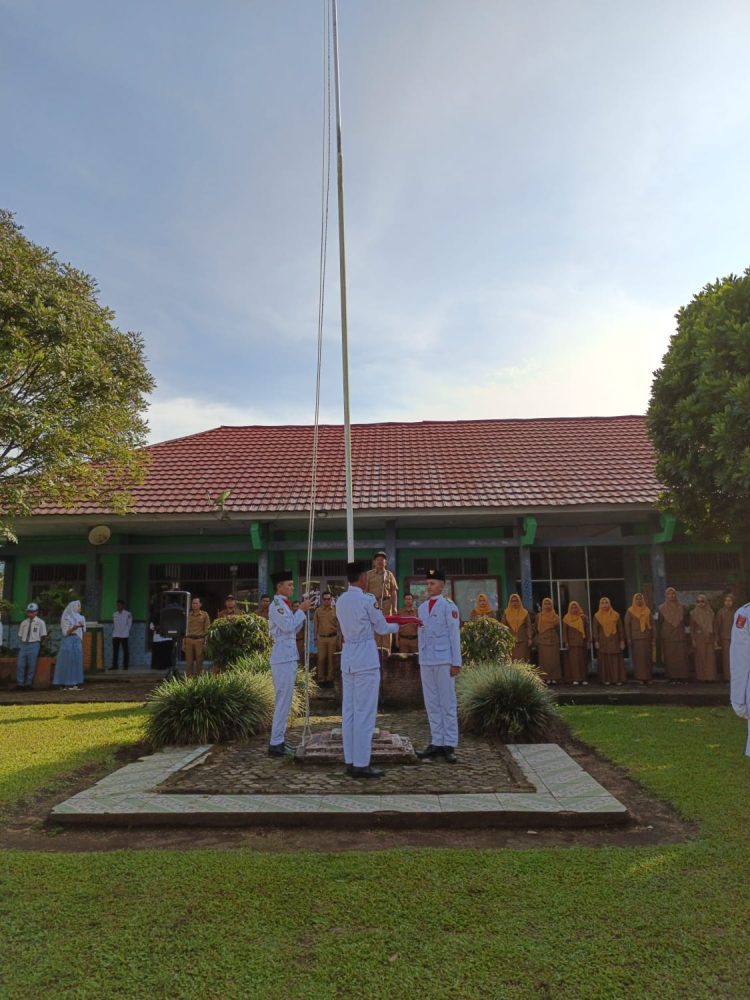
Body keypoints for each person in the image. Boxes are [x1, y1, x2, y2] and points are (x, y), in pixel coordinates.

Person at [336, 560, 399, 778]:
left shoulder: (341, 600)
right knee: (365, 712)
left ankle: (350, 760)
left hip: (348, 658)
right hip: (365, 658)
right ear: (362, 578)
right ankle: (362, 764)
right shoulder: (367, 600)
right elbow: (381, 627)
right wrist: (399, 625)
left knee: (349, 712)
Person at [416, 569, 462, 763]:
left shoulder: (449, 606)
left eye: (433, 583)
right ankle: (436, 742)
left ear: (442, 585)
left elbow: (454, 635)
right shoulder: (422, 608)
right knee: (431, 702)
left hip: (444, 659)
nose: (429, 587)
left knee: (447, 702)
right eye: (427, 583)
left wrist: (456, 662)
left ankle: (449, 744)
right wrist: (421, 657)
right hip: (427, 660)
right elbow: (421, 635)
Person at [267, 571, 311, 755]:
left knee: (285, 701)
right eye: (289, 585)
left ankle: (279, 740)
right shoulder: (276, 605)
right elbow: (287, 626)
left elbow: (294, 627)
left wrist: (302, 612)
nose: (293, 588)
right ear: (279, 586)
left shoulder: (284, 605)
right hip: (282, 657)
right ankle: (276, 743)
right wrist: (301, 610)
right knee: (283, 701)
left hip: (288, 656)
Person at [365, 551, 398, 653]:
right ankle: (375, 654)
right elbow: (365, 592)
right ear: (374, 562)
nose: (380, 561)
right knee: (374, 629)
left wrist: (394, 607)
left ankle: (387, 653)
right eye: (378, 559)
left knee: (386, 629)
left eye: (382, 559)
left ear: (386, 562)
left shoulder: (389, 575)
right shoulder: (368, 574)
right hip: (373, 604)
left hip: (386, 604)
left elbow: (393, 592)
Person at [729, 601, 750, 757]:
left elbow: (740, 661)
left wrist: (738, 701)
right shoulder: (745, 614)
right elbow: (740, 659)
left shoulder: (745, 613)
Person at [658, 587, 689, 682]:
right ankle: (672, 677)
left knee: (681, 657)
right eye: (669, 594)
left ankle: (682, 677)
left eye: (673, 594)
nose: (671, 596)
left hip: (680, 636)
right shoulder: (661, 608)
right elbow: (660, 622)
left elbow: (687, 622)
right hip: (668, 637)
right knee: (670, 657)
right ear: (666, 596)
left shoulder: (683, 607)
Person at [593, 596, 626, 685]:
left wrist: (622, 641)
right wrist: (596, 641)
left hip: (614, 640)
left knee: (615, 659)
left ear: (609, 604)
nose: (604, 605)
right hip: (603, 641)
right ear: (600, 605)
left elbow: (621, 629)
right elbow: (595, 630)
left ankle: (617, 679)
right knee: (605, 660)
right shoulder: (597, 616)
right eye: (602, 603)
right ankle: (606, 679)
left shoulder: (616, 615)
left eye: (606, 603)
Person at [53, 600, 86, 690]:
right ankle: (64, 683)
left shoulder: (81, 617)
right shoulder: (66, 618)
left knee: (76, 661)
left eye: (79, 606)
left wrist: (81, 626)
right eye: (77, 606)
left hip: (77, 641)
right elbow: (65, 632)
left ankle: (75, 683)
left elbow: (83, 630)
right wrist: (74, 628)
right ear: (72, 607)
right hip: (68, 640)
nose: (79, 608)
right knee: (67, 661)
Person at [16, 602, 47, 690]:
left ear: (36, 612)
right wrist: (23, 643)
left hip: (34, 644)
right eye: (28, 612)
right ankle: (20, 684)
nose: (30, 614)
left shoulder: (40, 622)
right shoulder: (24, 622)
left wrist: (40, 645)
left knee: (31, 665)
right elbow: (20, 635)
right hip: (24, 644)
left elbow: (43, 635)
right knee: (20, 664)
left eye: (32, 612)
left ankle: (28, 684)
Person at [624, 592, 653, 684]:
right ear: (634, 600)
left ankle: (648, 677)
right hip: (636, 638)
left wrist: (653, 637)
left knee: (647, 658)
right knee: (639, 659)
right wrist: (629, 638)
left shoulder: (647, 610)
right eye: (637, 599)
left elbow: (652, 624)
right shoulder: (630, 611)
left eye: (640, 599)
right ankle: (640, 677)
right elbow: (627, 625)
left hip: (647, 637)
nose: (639, 600)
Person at [690, 594, 718, 682]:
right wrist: (693, 639)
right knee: (700, 658)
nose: (700, 603)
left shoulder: (711, 613)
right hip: (699, 638)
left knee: (710, 658)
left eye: (702, 601)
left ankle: (710, 677)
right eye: (698, 601)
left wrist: (716, 640)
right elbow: (692, 628)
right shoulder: (693, 613)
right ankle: (701, 677)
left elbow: (715, 627)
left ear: (706, 602)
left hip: (710, 637)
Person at [313, 591, 339, 684]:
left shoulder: (336, 610)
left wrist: (340, 638)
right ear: (322, 600)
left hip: (333, 638)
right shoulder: (318, 611)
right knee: (321, 659)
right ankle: (321, 679)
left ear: (331, 599)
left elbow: (340, 625)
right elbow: (315, 625)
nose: (327, 601)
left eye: (328, 599)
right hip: (322, 638)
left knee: (331, 659)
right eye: (325, 599)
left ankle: (330, 679)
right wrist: (315, 638)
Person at [534, 597, 562, 684]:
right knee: (544, 660)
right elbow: (536, 628)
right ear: (542, 605)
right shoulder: (539, 616)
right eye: (545, 604)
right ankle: (545, 677)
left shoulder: (556, 616)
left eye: (549, 604)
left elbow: (558, 629)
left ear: (552, 605)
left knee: (554, 660)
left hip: (553, 640)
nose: (547, 606)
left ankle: (554, 677)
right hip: (543, 640)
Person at [562, 600, 590, 685]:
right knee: (574, 661)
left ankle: (584, 678)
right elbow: (565, 631)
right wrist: (566, 642)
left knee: (583, 661)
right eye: (572, 608)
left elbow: (587, 630)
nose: (574, 609)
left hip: (582, 642)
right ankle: (576, 678)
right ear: (569, 609)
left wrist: (588, 641)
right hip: (572, 643)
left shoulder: (583, 617)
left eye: (576, 607)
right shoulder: (566, 618)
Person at [183, 597, 211, 678]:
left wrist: (206, 642)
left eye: (196, 603)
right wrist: (183, 642)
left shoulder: (204, 615)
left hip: (199, 640)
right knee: (188, 662)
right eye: (193, 603)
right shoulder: (188, 615)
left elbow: (207, 629)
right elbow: (184, 629)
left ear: (200, 604)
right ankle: (188, 680)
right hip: (189, 639)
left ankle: (199, 680)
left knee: (199, 662)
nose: (194, 605)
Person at [502, 594, 532, 661]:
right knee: (512, 659)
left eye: (516, 601)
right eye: (512, 601)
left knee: (522, 659)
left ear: (519, 601)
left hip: (523, 640)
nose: (514, 603)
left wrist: (529, 638)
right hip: (510, 641)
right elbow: (503, 626)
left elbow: (528, 626)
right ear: (510, 602)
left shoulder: (525, 613)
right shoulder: (506, 613)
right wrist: (504, 638)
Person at [715, 593, 736, 682]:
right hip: (725, 639)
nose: (728, 602)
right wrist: (717, 639)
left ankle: (735, 677)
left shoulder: (737, 612)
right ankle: (727, 677)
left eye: (730, 601)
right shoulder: (721, 612)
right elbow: (717, 626)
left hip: (736, 639)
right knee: (726, 659)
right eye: (726, 601)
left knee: (736, 658)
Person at [111, 599, 132, 671]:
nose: (118, 606)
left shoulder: (128, 614)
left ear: (123, 605)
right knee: (115, 651)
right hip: (115, 634)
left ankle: (125, 666)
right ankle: (114, 665)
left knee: (125, 650)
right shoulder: (114, 614)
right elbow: (114, 624)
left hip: (124, 634)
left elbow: (129, 624)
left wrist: (126, 631)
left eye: (119, 605)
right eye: (117, 605)